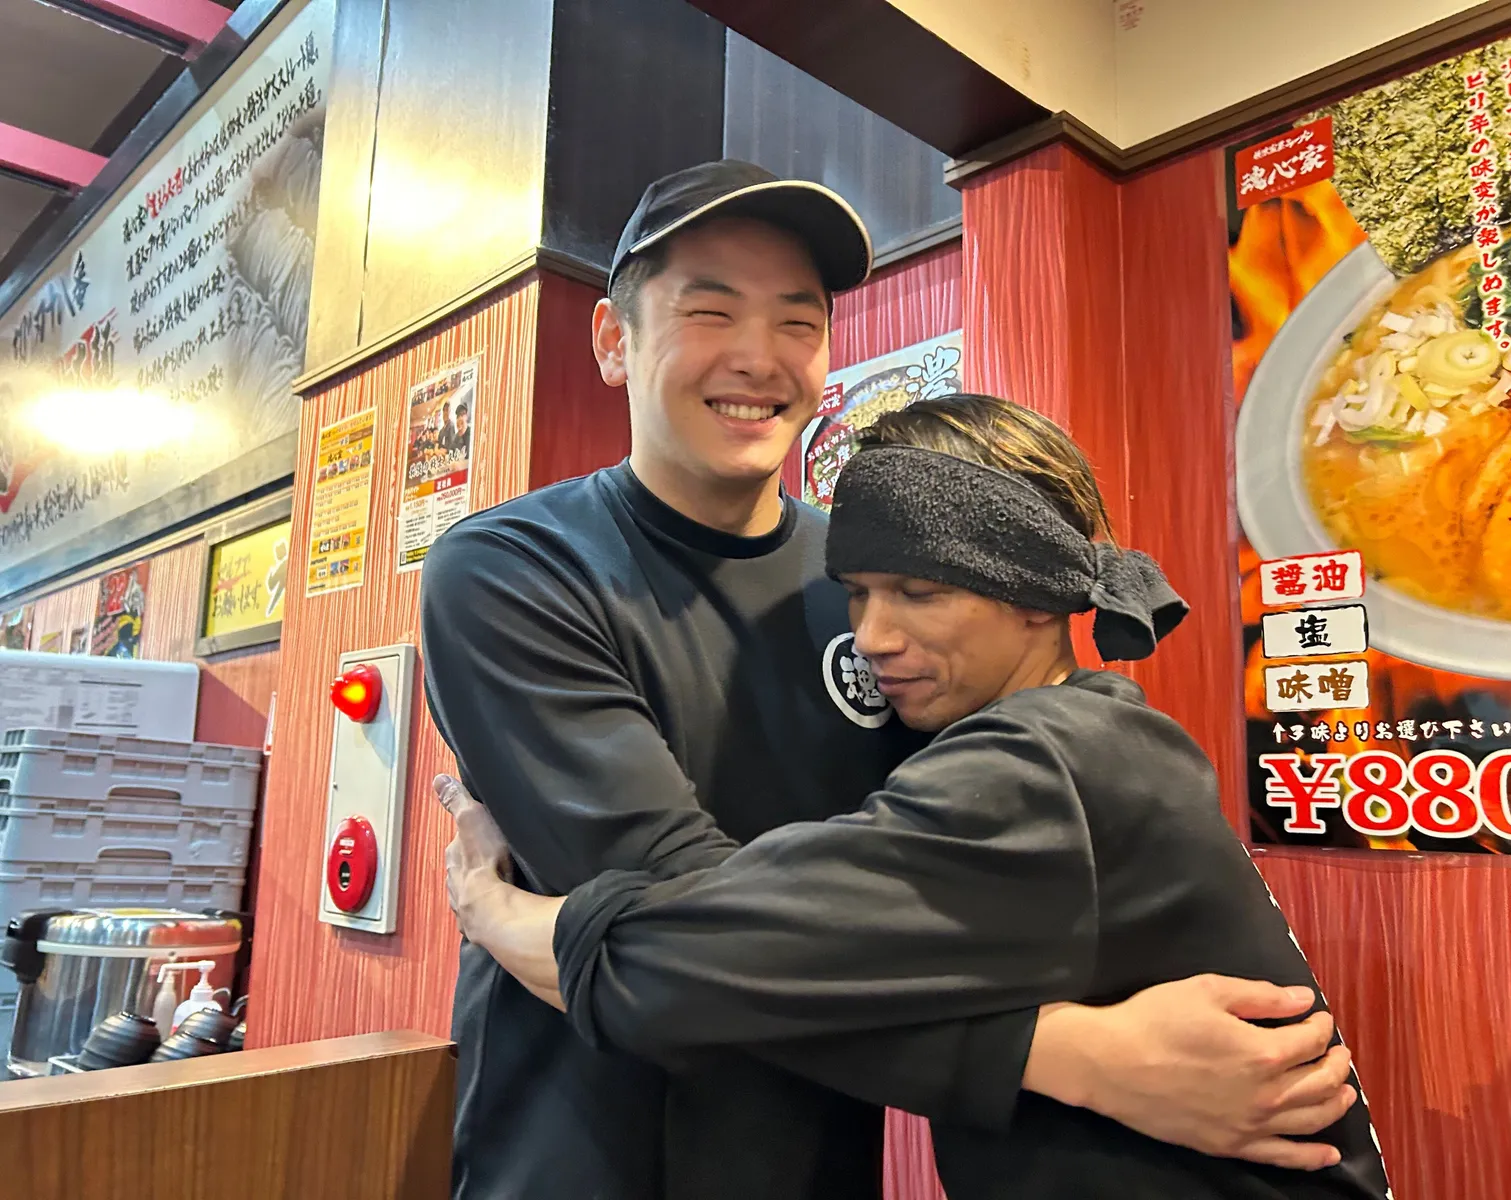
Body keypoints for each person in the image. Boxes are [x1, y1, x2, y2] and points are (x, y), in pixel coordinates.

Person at [419, 160, 1358, 1200]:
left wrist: (507, 918)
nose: (758, 357)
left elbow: (941, 903)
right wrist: (1070, 1057)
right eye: (711, 309)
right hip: (587, 1152)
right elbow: (687, 911)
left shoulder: (866, 569)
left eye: (797, 321)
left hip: (813, 1151)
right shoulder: (515, 568)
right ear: (613, 339)